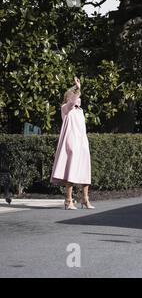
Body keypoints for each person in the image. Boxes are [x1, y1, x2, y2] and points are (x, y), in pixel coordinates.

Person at [51, 77, 94, 210]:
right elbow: (72, 102)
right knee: (71, 170)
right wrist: (78, 88)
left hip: (82, 142)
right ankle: (68, 200)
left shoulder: (80, 111)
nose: (78, 98)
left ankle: (85, 199)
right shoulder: (65, 108)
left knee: (85, 170)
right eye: (74, 95)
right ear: (68, 97)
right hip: (71, 143)